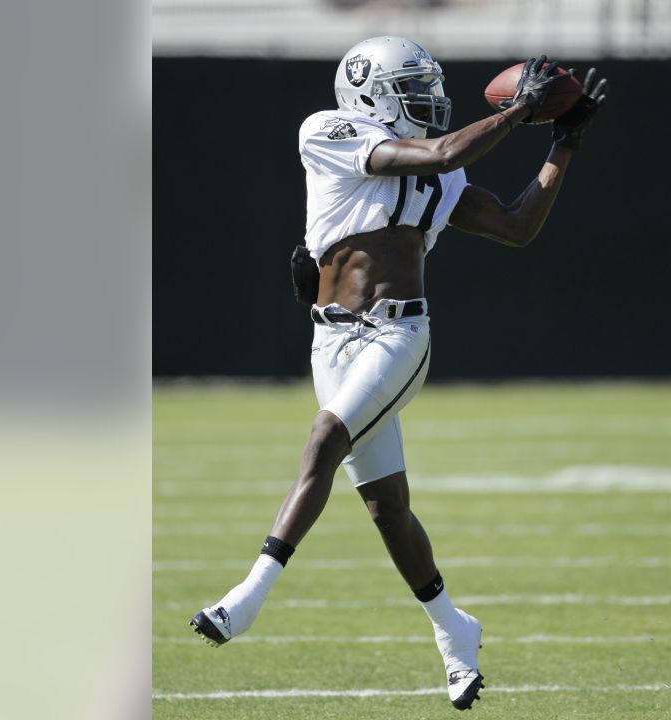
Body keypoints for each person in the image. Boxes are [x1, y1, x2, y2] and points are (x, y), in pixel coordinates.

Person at [190, 36, 607, 711]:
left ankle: (249, 595)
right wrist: (513, 115)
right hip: (332, 346)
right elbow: (440, 153)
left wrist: (564, 142)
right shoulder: (329, 130)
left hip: (399, 334)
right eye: (413, 84)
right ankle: (455, 630)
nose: (432, 98)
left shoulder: (445, 167)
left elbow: (515, 225)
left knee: (324, 440)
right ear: (367, 90)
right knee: (388, 510)